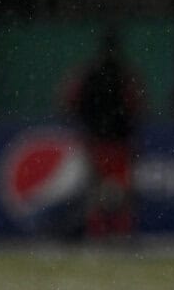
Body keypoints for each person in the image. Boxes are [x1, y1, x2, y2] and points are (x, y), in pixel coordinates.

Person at [60, 28, 145, 238]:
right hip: (118, 140)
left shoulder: (89, 73)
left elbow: (69, 101)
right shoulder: (124, 74)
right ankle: (120, 231)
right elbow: (137, 105)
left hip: (96, 139)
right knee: (121, 190)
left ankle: (98, 232)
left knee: (96, 189)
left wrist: (85, 122)